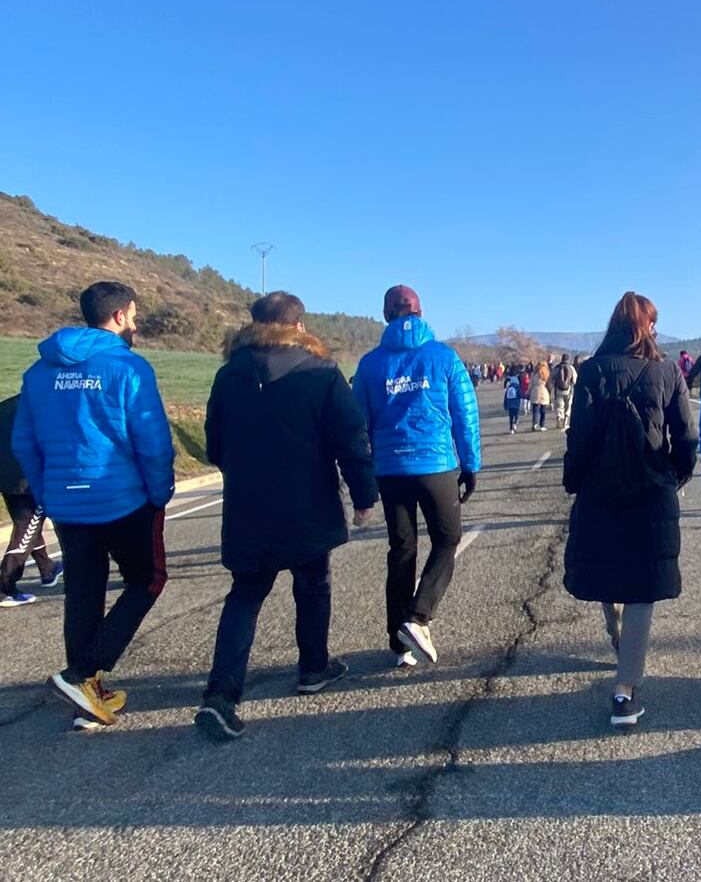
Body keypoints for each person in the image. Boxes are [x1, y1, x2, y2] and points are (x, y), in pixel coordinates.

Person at [195, 292, 378, 741]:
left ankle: (222, 694)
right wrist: (363, 495)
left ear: (254, 324)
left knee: (245, 594)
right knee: (313, 583)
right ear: (299, 326)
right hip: (307, 502)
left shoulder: (229, 374)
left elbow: (214, 445)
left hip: (248, 504)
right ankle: (312, 667)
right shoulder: (320, 372)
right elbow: (350, 438)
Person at [13, 281, 175, 729]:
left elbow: (24, 443)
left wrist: (47, 493)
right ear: (121, 315)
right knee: (148, 580)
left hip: (65, 502)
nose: (136, 323)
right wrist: (159, 492)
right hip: (123, 499)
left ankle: (88, 695)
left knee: (83, 592)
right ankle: (81, 674)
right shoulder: (129, 367)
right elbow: (153, 443)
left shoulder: (37, 372)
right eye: (135, 315)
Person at [563, 292, 697, 728]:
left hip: (600, 489)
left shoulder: (592, 371)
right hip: (650, 490)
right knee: (642, 586)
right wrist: (675, 474)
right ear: (645, 327)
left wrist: (574, 479)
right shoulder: (666, 370)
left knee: (605, 567)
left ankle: (616, 632)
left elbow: (578, 436)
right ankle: (625, 691)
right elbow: (686, 436)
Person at [353, 284, 481, 668]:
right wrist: (471, 464)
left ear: (386, 315)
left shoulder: (370, 364)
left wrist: (363, 471)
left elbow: (359, 422)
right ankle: (418, 616)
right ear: (420, 313)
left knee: (401, 550)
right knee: (447, 539)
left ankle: (399, 643)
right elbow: (465, 413)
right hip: (436, 466)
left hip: (390, 470)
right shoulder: (443, 357)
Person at [0, 394, 63, 606]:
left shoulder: (6, 406)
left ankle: (47, 569)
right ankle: (5, 587)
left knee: (28, 526)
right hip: (26, 479)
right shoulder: (43, 408)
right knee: (26, 530)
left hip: (5, 476)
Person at [552, 354, 578, 430]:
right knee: (568, 405)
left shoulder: (557, 367)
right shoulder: (571, 368)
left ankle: (559, 419)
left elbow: (551, 377)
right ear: (568, 359)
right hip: (569, 389)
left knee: (559, 406)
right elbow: (575, 380)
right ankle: (565, 421)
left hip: (558, 389)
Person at [529, 361, 552, 432]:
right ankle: (542, 425)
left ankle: (534, 424)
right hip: (544, 391)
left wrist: (528, 391)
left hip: (535, 390)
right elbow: (549, 385)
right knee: (543, 410)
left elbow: (531, 384)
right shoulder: (547, 373)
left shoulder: (534, 373)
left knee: (535, 409)